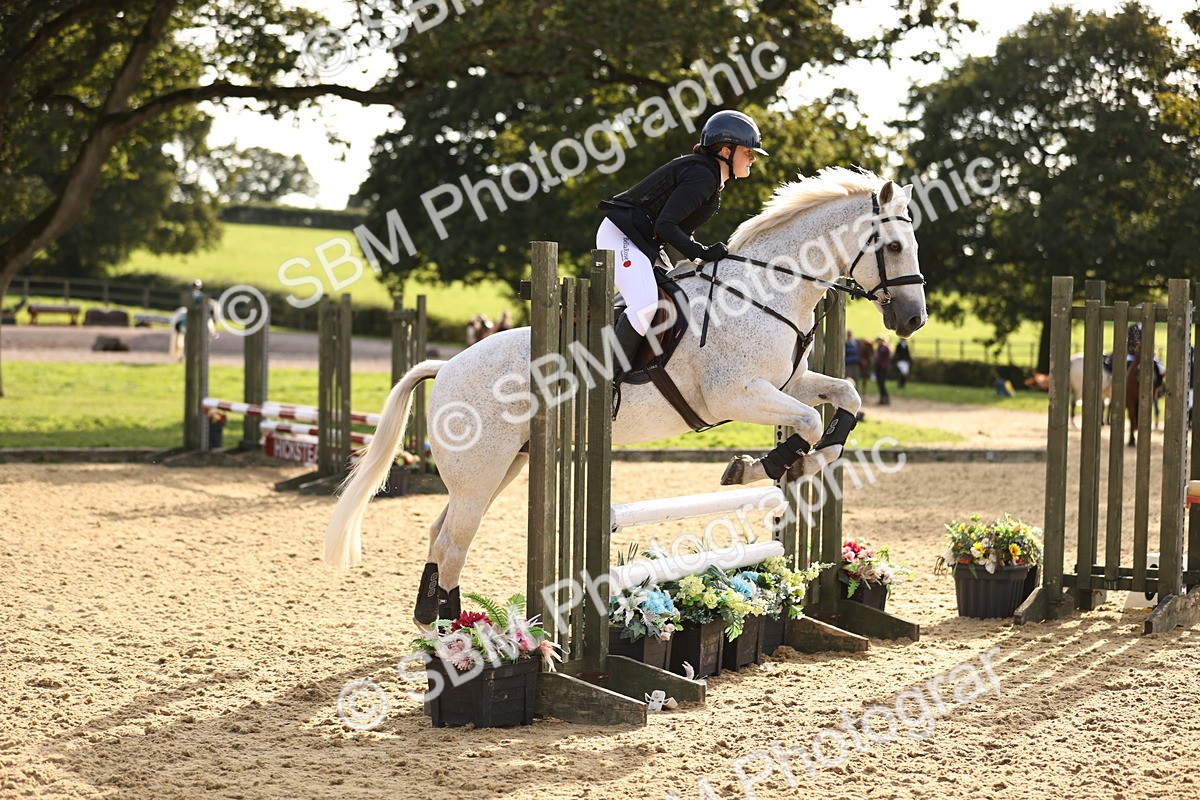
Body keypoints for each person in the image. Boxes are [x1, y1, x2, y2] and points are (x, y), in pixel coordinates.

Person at [596, 110, 766, 382]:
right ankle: (606, 382)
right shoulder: (703, 176)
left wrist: (698, 256)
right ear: (726, 150)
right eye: (748, 151)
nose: (753, 158)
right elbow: (666, 226)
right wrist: (699, 253)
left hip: (644, 243)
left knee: (676, 291)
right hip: (623, 236)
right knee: (644, 305)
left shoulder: (709, 177)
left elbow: (675, 230)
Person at [874, 336, 892, 405]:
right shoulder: (879, 348)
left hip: (883, 368)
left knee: (882, 383)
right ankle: (882, 399)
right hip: (879, 367)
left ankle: (886, 399)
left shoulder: (884, 348)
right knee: (880, 384)